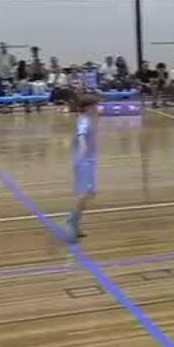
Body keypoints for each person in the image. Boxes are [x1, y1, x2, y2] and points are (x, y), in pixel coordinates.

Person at [64, 93, 100, 243]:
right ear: (89, 107)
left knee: (90, 193)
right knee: (85, 194)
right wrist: (83, 149)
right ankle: (71, 221)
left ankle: (75, 224)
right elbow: (81, 135)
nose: (97, 108)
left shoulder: (85, 119)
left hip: (87, 161)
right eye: (95, 105)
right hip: (84, 162)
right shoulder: (84, 121)